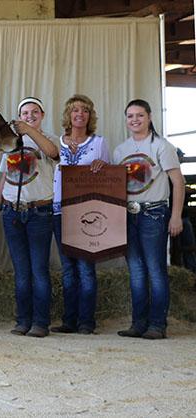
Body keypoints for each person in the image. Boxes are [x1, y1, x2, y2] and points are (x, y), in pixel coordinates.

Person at [0, 97, 59, 338]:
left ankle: (40, 322)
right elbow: (5, 174)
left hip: (39, 211)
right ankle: (23, 320)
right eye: (25, 113)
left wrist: (29, 131)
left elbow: (53, 153)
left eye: (34, 112)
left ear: (42, 114)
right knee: (21, 270)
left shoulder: (50, 138)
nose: (29, 116)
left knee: (39, 269)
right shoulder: (11, 142)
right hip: (12, 211)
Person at [114, 99, 184, 339]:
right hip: (128, 213)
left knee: (155, 269)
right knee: (135, 270)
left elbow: (178, 182)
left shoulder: (162, 146)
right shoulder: (120, 150)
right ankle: (138, 323)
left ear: (149, 117)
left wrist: (175, 216)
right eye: (130, 116)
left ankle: (157, 324)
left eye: (140, 115)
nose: (135, 120)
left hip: (154, 213)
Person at [50, 94, 109, 335]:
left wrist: (102, 167)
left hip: (87, 211)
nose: (79, 114)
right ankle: (69, 320)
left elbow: (108, 179)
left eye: (85, 110)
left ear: (89, 116)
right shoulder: (57, 143)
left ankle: (87, 321)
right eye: (75, 110)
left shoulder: (99, 143)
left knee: (86, 267)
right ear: (68, 115)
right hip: (60, 210)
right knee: (68, 268)